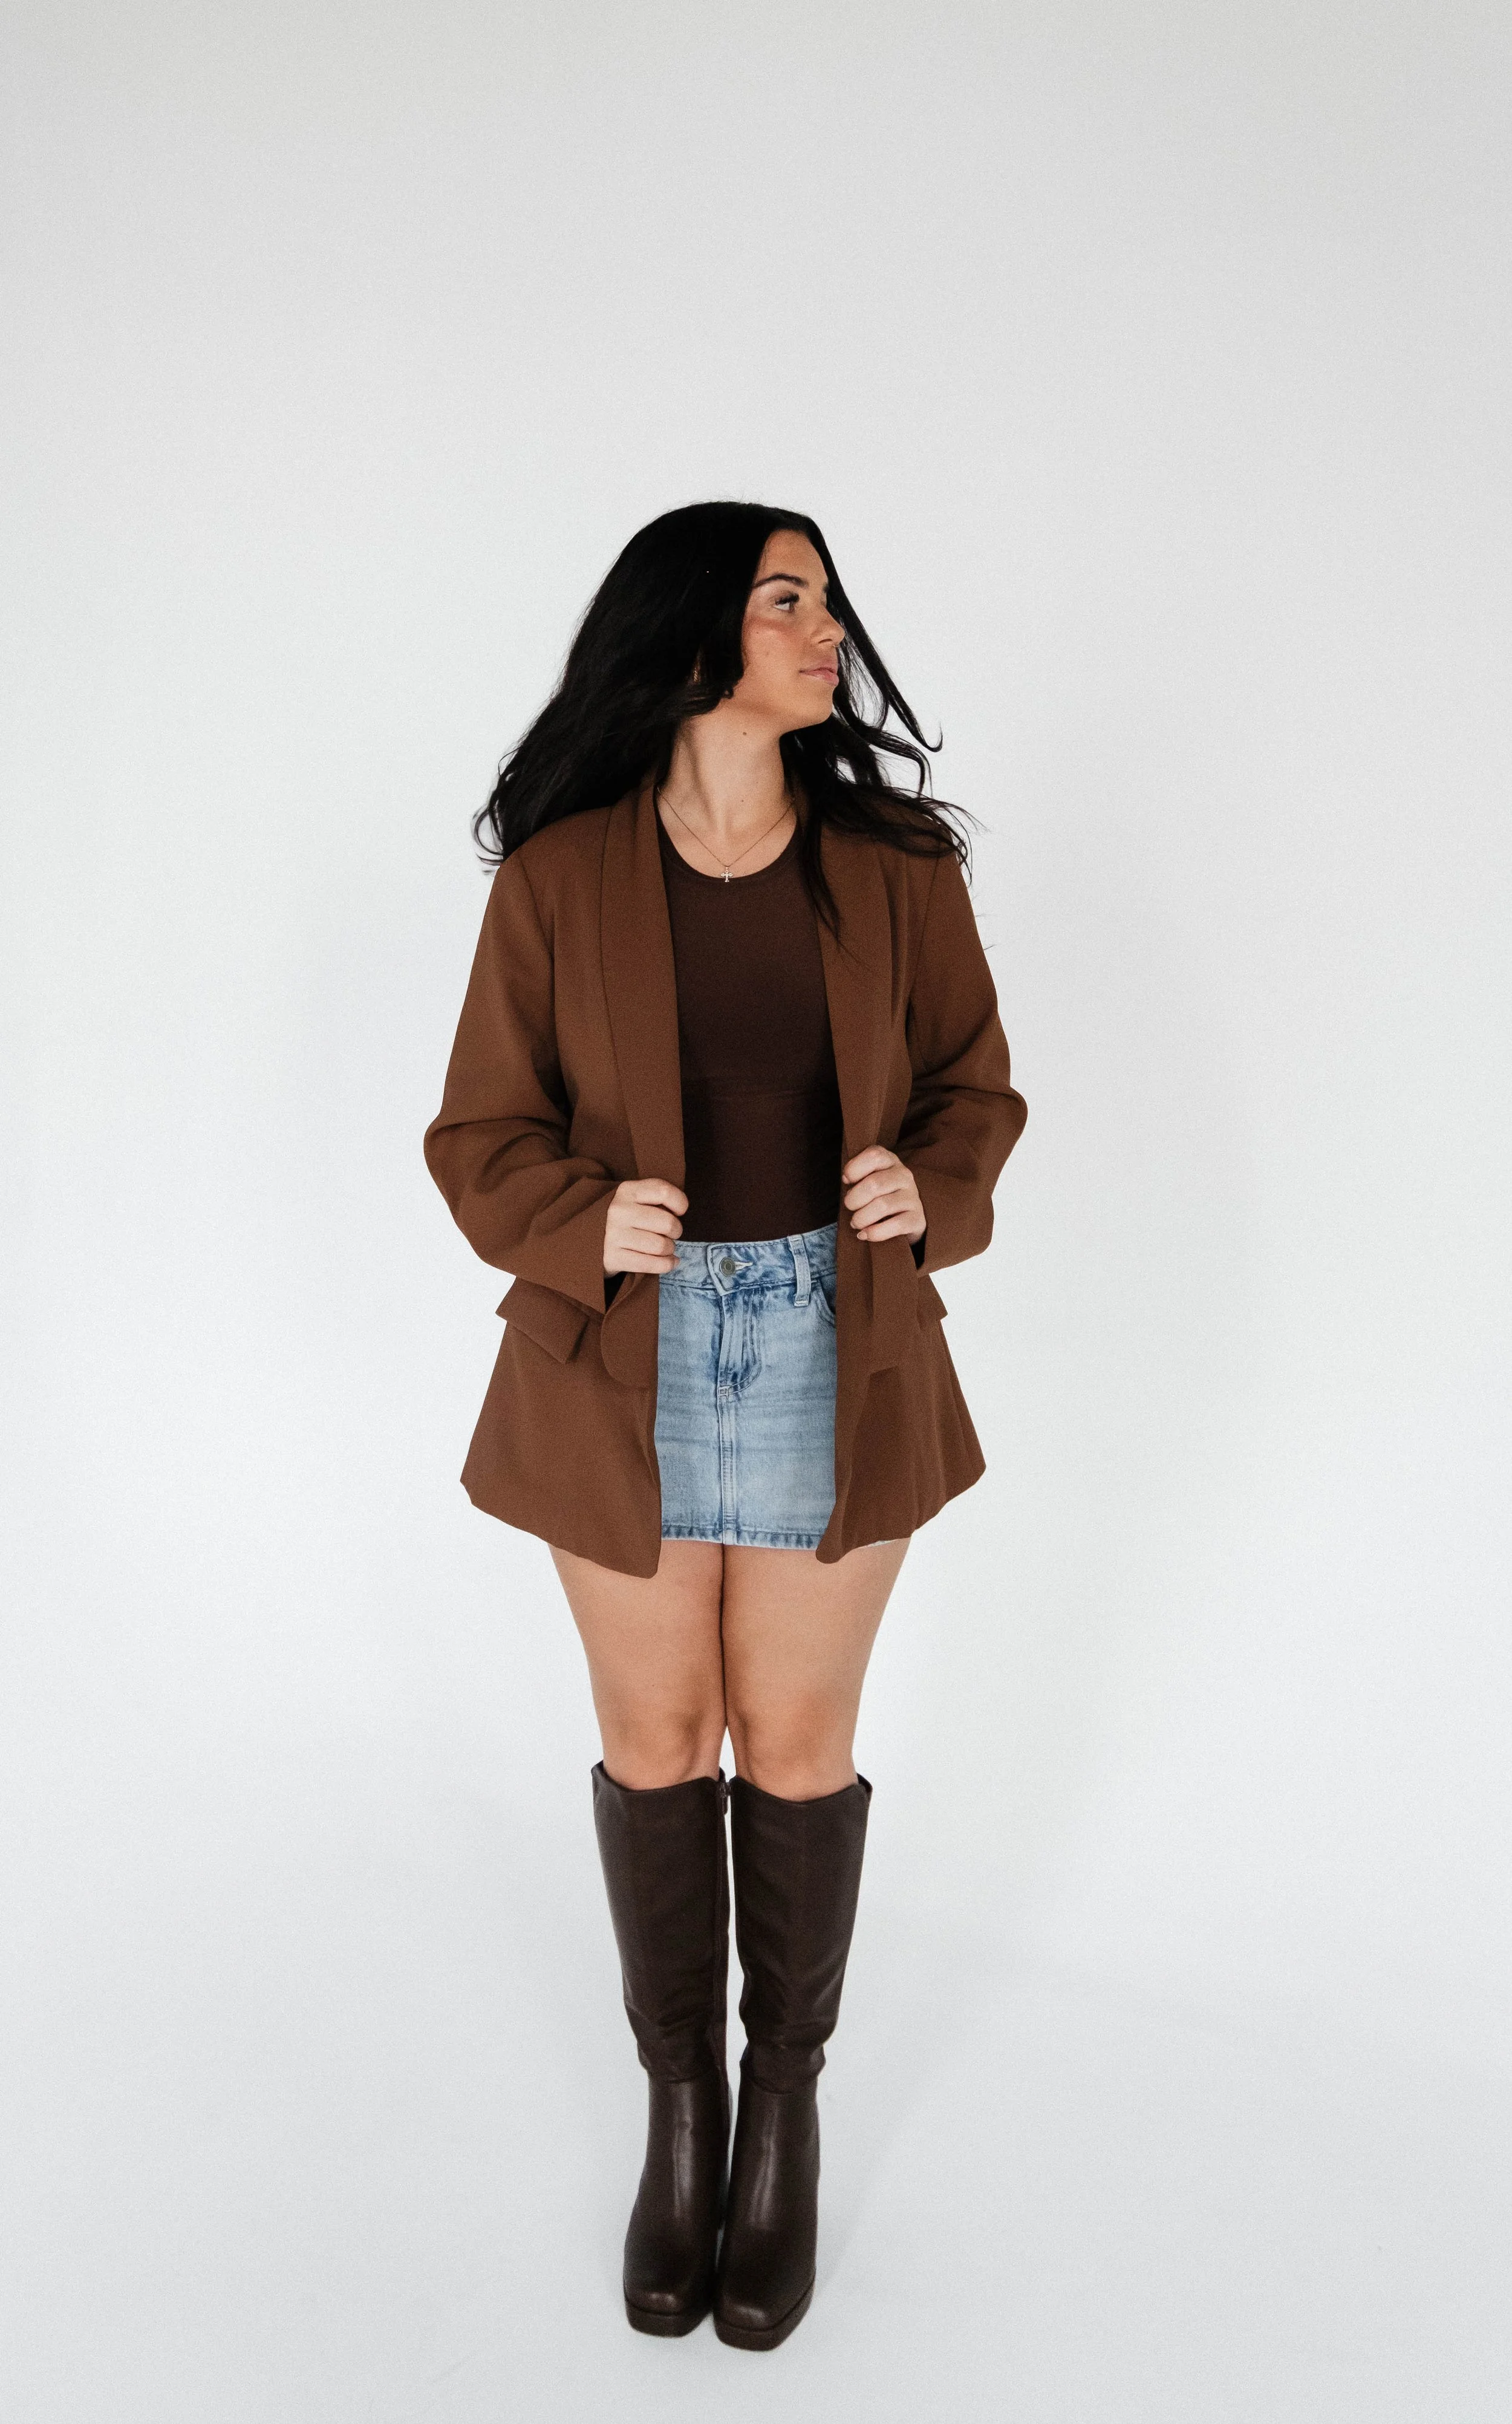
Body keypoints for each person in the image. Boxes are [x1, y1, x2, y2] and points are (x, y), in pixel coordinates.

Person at [423, 501, 1027, 2349]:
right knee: (655, 1734)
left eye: (827, 603)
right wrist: (577, 1219)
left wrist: (927, 1189)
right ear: (691, 638)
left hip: (838, 1340)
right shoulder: (561, 879)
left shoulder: (897, 867)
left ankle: (783, 2113)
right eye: (785, 601)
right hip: (623, 1353)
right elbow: (480, 1132)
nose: (824, 630)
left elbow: (974, 1091)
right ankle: (680, 2106)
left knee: (795, 1739)